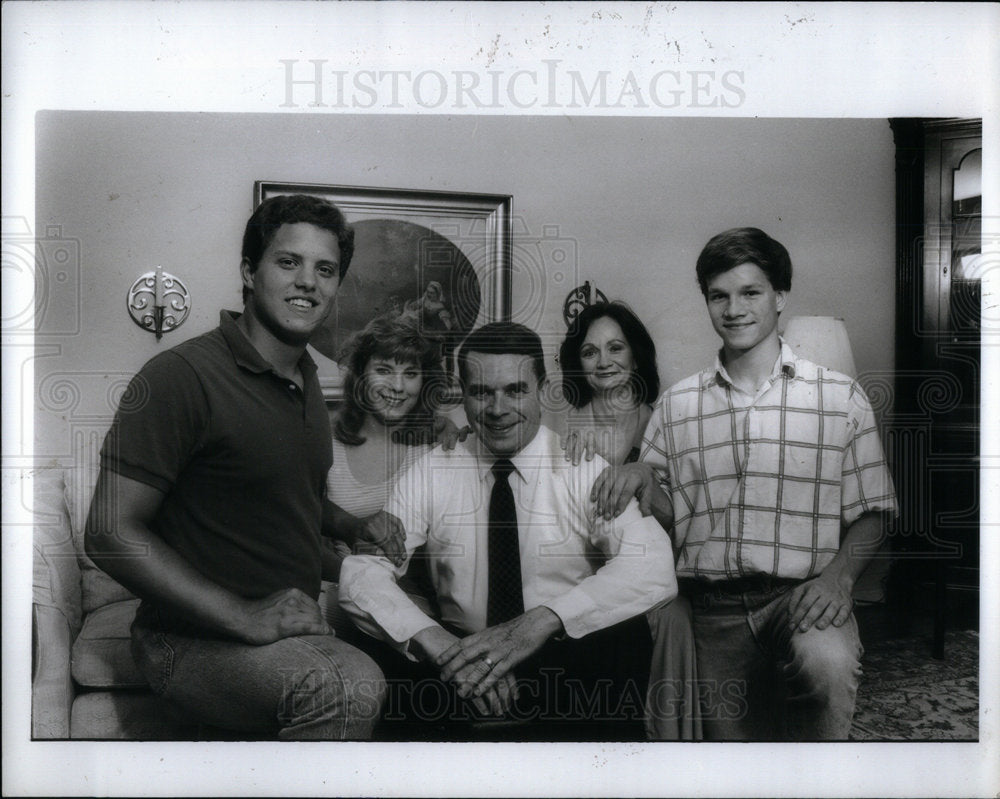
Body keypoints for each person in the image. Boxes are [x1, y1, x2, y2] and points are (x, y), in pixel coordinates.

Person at [84, 194, 386, 740]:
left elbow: (281, 496)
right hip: (189, 640)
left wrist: (350, 528)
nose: (308, 283)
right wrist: (241, 616)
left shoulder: (308, 380)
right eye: (287, 262)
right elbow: (108, 531)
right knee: (348, 683)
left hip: (287, 634)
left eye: (325, 269)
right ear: (249, 271)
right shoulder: (180, 375)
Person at [592, 227, 898, 740]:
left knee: (826, 671)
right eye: (719, 296)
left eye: (750, 292)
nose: (733, 309)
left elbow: (876, 511)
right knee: (727, 764)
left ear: (780, 297)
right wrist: (643, 473)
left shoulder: (839, 398)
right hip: (711, 612)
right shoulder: (678, 405)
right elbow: (666, 519)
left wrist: (837, 580)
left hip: (803, 599)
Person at [338, 322, 678, 739]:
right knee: (395, 664)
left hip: (564, 657)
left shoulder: (582, 467)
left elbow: (654, 566)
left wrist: (538, 624)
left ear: (542, 389)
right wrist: (442, 648)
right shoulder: (433, 468)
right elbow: (362, 572)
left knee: (625, 639)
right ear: (462, 394)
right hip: (460, 658)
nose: (498, 409)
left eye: (515, 390)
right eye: (482, 393)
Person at [558, 301, 702, 740]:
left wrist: (644, 480)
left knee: (672, 614)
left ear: (636, 355)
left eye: (615, 347)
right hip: (583, 569)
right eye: (589, 352)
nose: (603, 362)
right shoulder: (562, 429)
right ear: (577, 364)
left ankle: (670, 746)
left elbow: (689, 526)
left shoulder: (670, 422)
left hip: (659, 571)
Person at [318, 312, 457, 631]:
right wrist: (358, 580)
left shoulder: (436, 446)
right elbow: (304, 529)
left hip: (412, 601)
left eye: (410, 373)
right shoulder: (325, 441)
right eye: (383, 370)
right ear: (360, 375)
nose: (397, 386)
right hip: (333, 591)